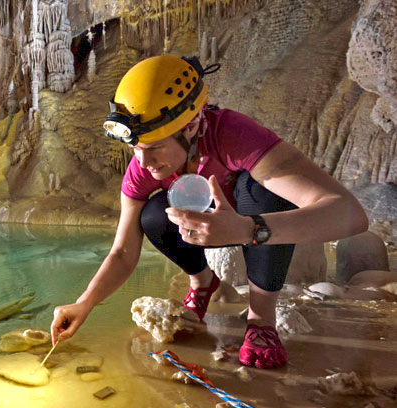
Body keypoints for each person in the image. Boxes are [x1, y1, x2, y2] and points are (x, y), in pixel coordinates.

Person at [50, 55, 368, 369]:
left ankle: (261, 321)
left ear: (190, 127)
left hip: (252, 223)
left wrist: (246, 228)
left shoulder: (234, 135)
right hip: (207, 231)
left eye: (153, 148)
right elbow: (122, 251)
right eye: (135, 149)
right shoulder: (142, 167)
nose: (143, 163)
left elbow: (351, 214)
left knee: (264, 190)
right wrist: (84, 302)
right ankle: (203, 283)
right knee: (152, 215)